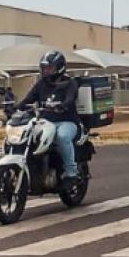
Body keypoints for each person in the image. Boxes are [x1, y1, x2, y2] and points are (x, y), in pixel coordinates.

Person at [16, 51, 81, 186]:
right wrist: (17, 108)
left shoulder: (70, 83)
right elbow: (28, 99)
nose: (46, 71)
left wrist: (63, 106)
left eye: (49, 68)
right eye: (44, 68)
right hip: (45, 122)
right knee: (27, 135)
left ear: (60, 68)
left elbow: (70, 98)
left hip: (67, 122)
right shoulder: (41, 84)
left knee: (62, 137)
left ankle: (71, 173)